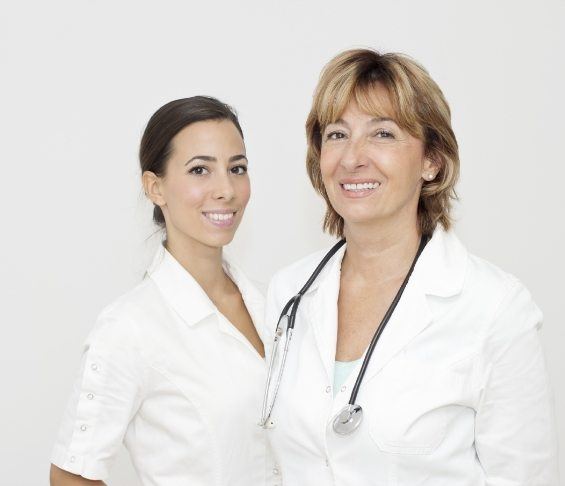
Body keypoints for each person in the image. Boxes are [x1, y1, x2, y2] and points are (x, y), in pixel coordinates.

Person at [261, 49, 559, 485]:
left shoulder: (495, 307)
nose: (352, 158)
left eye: (382, 134)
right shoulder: (288, 293)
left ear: (431, 161)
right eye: (337, 135)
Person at [50, 96, 275, 486]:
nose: (226, 189)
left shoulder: (275, 303)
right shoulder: (130, 328)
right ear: (156, 187)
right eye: (200, 170)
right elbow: (70, 475)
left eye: (236, 168)